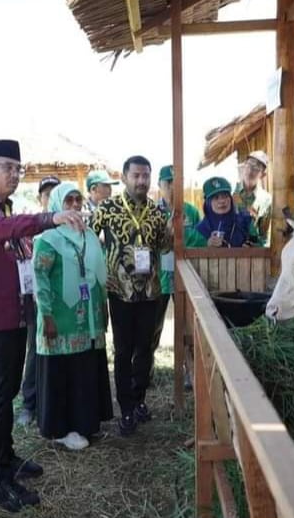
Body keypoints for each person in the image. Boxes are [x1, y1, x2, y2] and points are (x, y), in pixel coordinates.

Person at [0, 139, 85, 512]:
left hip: (14, 317)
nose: (14, 175)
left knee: (8, 392)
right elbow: (5, 229)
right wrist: (50, 218)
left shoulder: (2, 210)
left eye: (18, 169)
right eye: (7, 167)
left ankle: (7, 458)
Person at [90, 155, 172, 436]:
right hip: (119, 291)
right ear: (124, 177)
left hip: (150, 292)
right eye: (136, 175)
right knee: (123, 350)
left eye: (145, 176)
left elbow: (165, 247)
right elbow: (89, 239)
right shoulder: (107, 208)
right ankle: (125, 407)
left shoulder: (157, 213)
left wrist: (172, 229)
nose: (141, 181)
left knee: (145, 349)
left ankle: (139, 399)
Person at [32, 183, 113, 450]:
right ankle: (60, 430)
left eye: (78, 199)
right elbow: (40, 279)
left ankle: (85, 423)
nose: (76, 205)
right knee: (62, 371)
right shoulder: (48, 239)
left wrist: (103, 307)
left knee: (84, 369)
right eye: (69, 200)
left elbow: (99, 275)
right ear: (58, 205)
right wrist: (46, 316)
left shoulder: (89, 236)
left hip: (88, 317)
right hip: (60, 317)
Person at [153, 165, 203, 389]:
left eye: (177, 182)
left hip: (184, 277)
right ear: (160, 186)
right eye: (168, 183)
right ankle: (147, 370)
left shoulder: (191, 212)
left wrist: (181, 234)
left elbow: (199, 241)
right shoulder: (152, 212)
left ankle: (189, 371)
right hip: (157, 279)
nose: (173, 187)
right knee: (153, 327)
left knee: (186, 327)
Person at [16, 175, 61, 426]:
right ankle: (29, 403)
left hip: (64, 300)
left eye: (55, 193)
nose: (50, 198)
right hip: (36, 299)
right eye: (47, 194)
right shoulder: (30, 228)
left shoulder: (68, 228)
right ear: (40, 198)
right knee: (35, 347)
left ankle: (54, 401)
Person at [196, 176, 257, 247]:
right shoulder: (199, 230)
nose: (222, 201)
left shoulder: (245, 222)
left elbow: (261, 244)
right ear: (208, 203)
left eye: (225, 196)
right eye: (216, 198)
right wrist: (206, 245)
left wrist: (252, 247)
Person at [233, 151, 271, 245]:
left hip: (253, 249)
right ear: (244, 166)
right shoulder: (230, 193)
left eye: (256, 168)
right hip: (230, 248)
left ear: (263, 175)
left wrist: (256, 247)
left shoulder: (266, 200)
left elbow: (265, 237)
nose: (250, 170)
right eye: (249, 165)